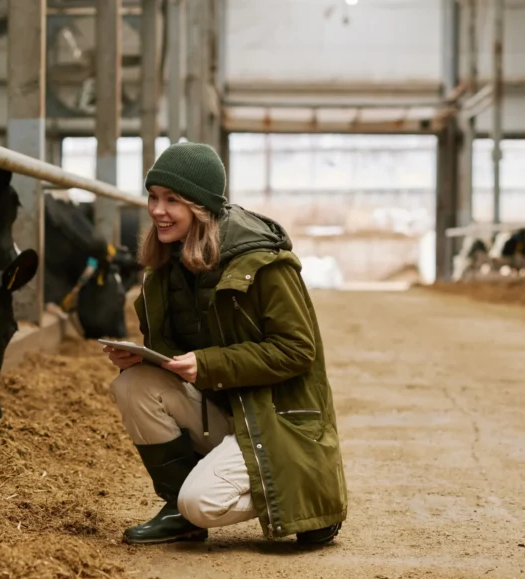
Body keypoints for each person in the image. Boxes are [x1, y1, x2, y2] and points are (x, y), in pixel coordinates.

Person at [104, 142, 347, 546]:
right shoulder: (167, 266)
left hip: (273, 419)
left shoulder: (265, 264)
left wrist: (209, 364)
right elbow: (176, 355)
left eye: (171, 200)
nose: (156, 210)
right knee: (134, 385)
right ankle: (180, 512)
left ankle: (305, 500)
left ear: (200, 206)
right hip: (222, 409)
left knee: (200, 502)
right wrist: (144, 359)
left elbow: (298, 349)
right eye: (152, 197)